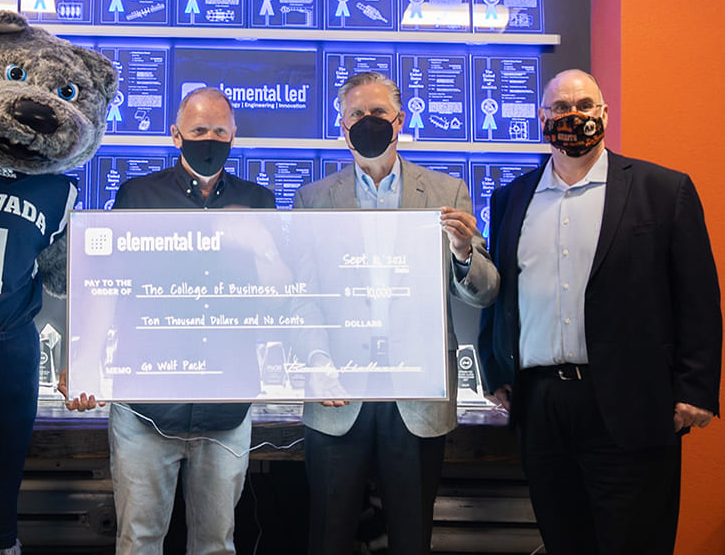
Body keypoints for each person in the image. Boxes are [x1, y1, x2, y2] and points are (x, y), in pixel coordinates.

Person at [478, 68, 722, 555]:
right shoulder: (511, 198)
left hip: (633, 404)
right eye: (560, 107)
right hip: (543, 407)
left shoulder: (662, 190)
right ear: (541, 118)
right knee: (564, 540)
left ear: (604, 114)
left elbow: (698, 297)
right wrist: (496, 369)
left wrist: (695, 389)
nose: (574, 115)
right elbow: (504, 294)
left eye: (586, 105)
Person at [60, 86, 278, 555]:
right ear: (176, 136)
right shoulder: (137, 196)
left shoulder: (258, 202)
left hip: (226, 407)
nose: (210, 139)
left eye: (220, 131)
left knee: (216, 545)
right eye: (199, 130)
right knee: (139, 541)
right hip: (145, 408)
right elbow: (107, 287)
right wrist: (84, 360)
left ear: (234, 136)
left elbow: (279, 293)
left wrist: (259, 243)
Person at [292, 71, 500, 555]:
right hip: (338, 396)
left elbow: (484, 293)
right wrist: (316, 365)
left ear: (399, 120)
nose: (368, 122)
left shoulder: (447, 193)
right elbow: (301, 297)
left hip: (417, 393)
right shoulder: (313, 199)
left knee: (411, 540)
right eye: (356, 115)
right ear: (341, 127)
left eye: (378, 113)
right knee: (329, 538)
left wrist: (465, 252)